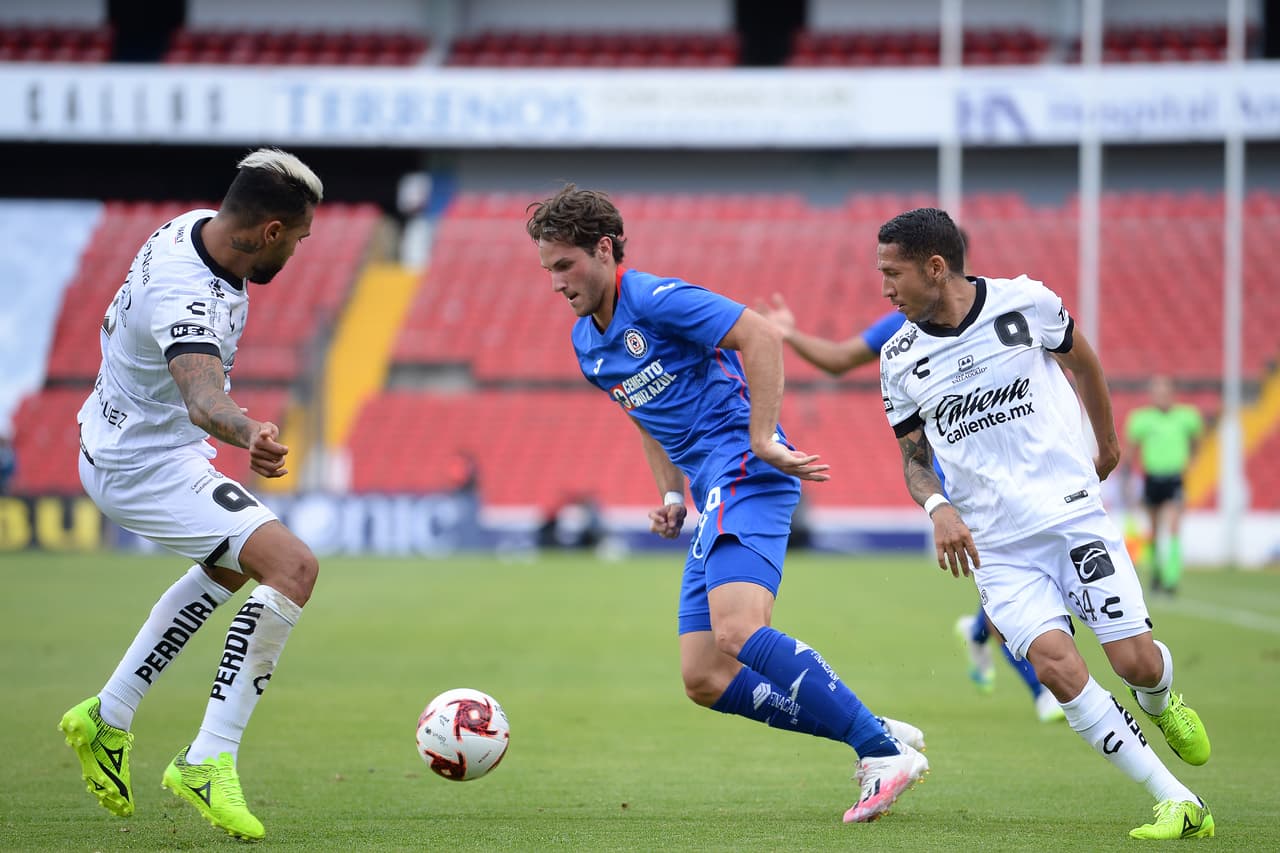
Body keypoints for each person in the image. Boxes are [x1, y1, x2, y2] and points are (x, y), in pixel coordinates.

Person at [526, 184, 928, 824]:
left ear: (603, 250)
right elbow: (645, 417)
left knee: (739, 631)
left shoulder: (656, 298)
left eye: (564, 265)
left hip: (744, 467)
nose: (556, 283)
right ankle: (867, 725)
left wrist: (763, 435)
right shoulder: (587, 343)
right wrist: (667, 491)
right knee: (704, 677)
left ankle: (879, 753)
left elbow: (761, 336)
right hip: (710, 487)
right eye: (548, 270)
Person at [876, 207, 1214, 840]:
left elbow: (1084, 364)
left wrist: (1107, 444)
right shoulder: (899, 359)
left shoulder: (1025, 304)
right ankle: (1177, 800)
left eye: (893, 274)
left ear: (935, 266)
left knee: (1134, 663)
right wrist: (937, 506)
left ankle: (1160, 699)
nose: (885, 289)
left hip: (1071, 518)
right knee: (1058, 669)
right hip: (997, 548)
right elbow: (914, 462)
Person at [59, 149, 324, 842]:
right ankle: (209, 756)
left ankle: (107, 715)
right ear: (268, 230)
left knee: (236, 563)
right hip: (141, 464)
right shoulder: (185, 290)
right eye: (296, 239)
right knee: (292, 567)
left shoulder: (198, 226)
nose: (296, 251)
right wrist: (250, 430)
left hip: (135, 439)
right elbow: (204, 397)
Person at [757, 248, 1063, 724]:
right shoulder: (902, 333)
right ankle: (1041, 688)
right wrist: (791, 333)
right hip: (964, 484)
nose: (891, 286)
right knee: (1012, 583)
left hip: (1023, 469)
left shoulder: (1003, 306)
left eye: (898, 272)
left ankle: (981, 635)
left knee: (1034, 580)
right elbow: (840, 360)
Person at [1123, 376, 1203, 596]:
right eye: (1157, 391)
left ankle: (1171, 578)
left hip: (1174, 477)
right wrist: (1127, 473)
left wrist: (1193, 460)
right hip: (1152, 478)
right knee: (1155, 530)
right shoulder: (1142, 419)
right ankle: (1158, 572)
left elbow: (1197, 441)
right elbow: (1131, 449)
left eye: (1164, 390)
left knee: (1174, 526)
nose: (1161, 395)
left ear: (1172, 393)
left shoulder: (1186, 417)